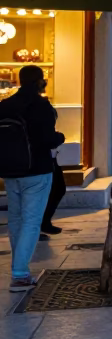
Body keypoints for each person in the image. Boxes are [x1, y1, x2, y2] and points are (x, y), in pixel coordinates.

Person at [0, 65, 66, 292]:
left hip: (10, 171)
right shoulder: (41, 106)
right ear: (40, 81)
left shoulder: (5, 106)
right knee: (31, 222)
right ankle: (19, 274)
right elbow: (47, 139)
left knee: (16, 220)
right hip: (37, 170)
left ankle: (19, 270)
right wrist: (61, 137)